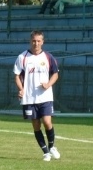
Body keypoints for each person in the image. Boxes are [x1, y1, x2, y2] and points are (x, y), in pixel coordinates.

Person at [13, 30, 61, 162]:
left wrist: (48, 84)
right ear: (30, 41)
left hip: (45, 97)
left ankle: (52, 147)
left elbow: (55, 74)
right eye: (34, 41)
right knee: (35, 125)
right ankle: (45, 152)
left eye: (39, 41)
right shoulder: (22, 57)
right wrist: (21, 89)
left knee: (47, 122)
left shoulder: (48, 57)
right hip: (29, 98)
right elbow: (17, 76)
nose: (36, 43)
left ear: (43, 42)